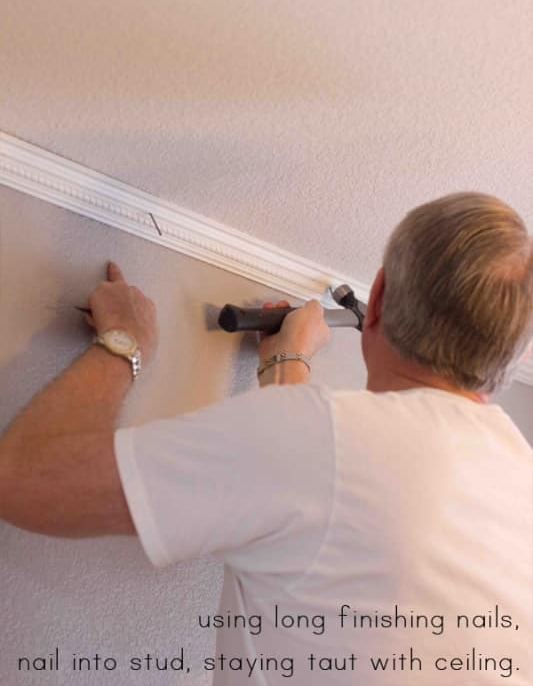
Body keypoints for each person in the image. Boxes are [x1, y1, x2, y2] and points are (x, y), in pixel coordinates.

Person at [0, 191, 532, 684]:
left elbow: (24, 478)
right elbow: (323, 483)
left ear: (379, 295)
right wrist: (285, 360)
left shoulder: (323, 440)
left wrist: (125, 342)